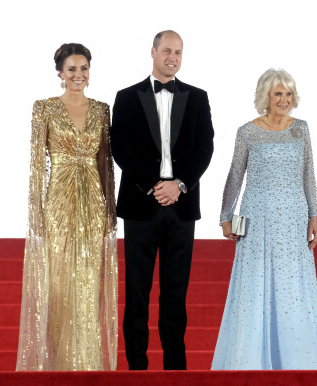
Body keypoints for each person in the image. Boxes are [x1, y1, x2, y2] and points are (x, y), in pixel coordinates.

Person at [211, 69, 317, 370]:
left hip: (294, 219)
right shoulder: (247, 132)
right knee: (255, 286)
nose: (284, 100)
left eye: (288, 94)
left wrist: (314, 216)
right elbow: (235, 176)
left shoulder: (301, 129)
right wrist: (226, 216)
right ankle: (250, 361)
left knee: (292, 290)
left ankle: (296, 362)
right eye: (278, 93)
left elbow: (309, 176)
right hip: (257, 219)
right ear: (265, 95)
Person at [110, 30, 214, 370]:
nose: (173, 57)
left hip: (182, 208)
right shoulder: (126, 97)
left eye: (179, 52)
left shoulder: (197, 97)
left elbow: (204, 149)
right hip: (142, 206)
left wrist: (179, 184)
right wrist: (155, 185)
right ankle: (136, 369)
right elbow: (121, 148)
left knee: (175, 293)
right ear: (153, 51)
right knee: (137, 292)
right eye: (167, 50)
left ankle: (175, 370)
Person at [16, 43, 118, 371]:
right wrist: (36, 211)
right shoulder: (43, 108)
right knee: (60, 285)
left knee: (88, 284)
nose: (78, 75)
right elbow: (36, 165)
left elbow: (105, 162)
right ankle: (60, 365)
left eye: (84, 68)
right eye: (72, 69)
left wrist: (110, 208)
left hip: (92, 202)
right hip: (58, 202)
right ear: (60, 72)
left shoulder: (102, 110)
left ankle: (88, 364)